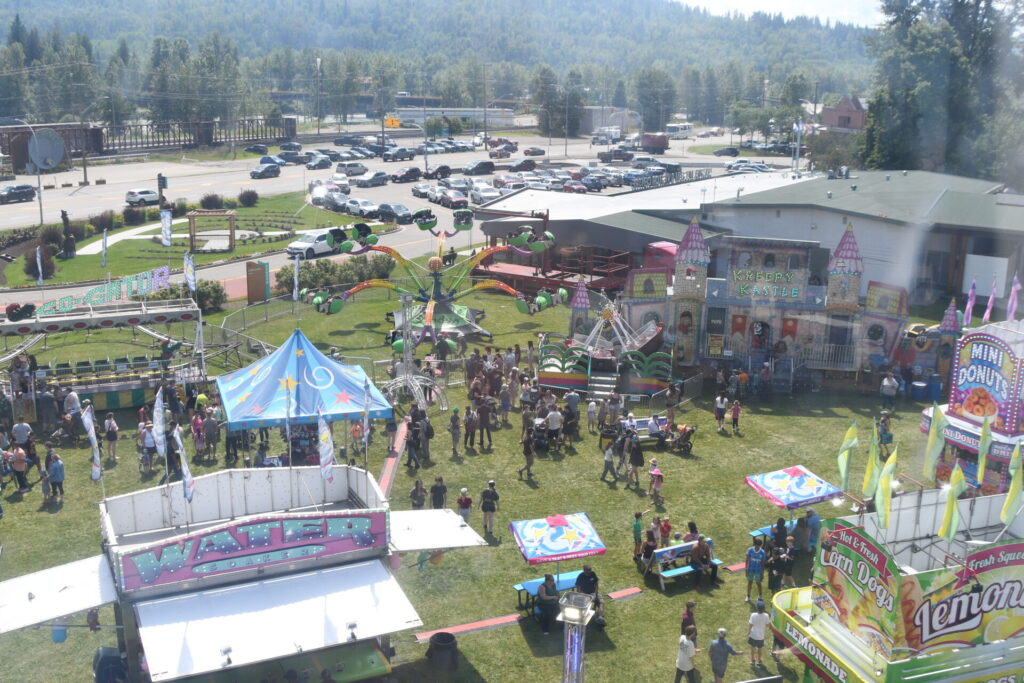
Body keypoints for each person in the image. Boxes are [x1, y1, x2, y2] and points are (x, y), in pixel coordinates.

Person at [748, 600, 772, 666]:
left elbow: (750, 624)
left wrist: (749, 631)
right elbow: (768, 625)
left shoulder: (753, 615)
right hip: (761, 636)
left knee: (752, 647)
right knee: (760, 648)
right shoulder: (766, 615)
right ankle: (759, 660)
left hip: (753, 635)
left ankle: (752, 659)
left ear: (757, 608)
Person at [745, 537, 767, 603]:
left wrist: (762, 573)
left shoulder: (762, 552)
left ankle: (760, 596)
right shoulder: (750, 550)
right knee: (750, 582)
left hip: (758, 570)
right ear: (754, 544)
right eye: (756, 545)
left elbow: (762, 563)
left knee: (758, 583)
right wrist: (746, 569)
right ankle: (748, 596)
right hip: (750, 570)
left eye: (759, 545)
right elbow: (747, 560)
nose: (757, 547)